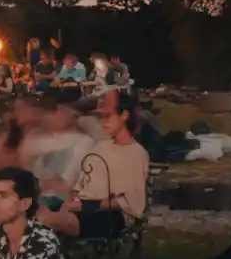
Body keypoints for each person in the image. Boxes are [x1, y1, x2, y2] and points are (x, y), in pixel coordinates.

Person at [38, 92, 148, 238]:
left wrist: (87, 205)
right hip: (81, 205)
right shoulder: (101, 147)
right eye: (100, 117)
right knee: (30, 207)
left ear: (124, 115)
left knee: (47, 218)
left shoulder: (136, 154)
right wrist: (70, 200)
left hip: (110, 214)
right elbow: (83, 183)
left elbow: (129, 201)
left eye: (107, 116)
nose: (102, 122)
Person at [23, 88, 96, 208]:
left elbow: (66, 184)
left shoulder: (83, 141)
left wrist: (32, 185)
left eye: (53, 111)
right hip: (33, 198)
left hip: (59, 202)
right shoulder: (35, 139)